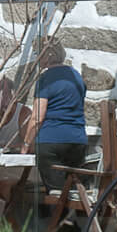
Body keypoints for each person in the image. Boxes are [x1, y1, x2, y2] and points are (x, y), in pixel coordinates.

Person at [26, 39, 88, 217]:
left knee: (57, 193)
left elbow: (38, 117)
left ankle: (61, 230)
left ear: (47, 56)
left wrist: (26, 143)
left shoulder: (45, 79)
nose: (36, 59)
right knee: (70, 189)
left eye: (38, 54)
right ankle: (71, 228)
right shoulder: (76, 76)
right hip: (77, 141)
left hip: (50, 142)